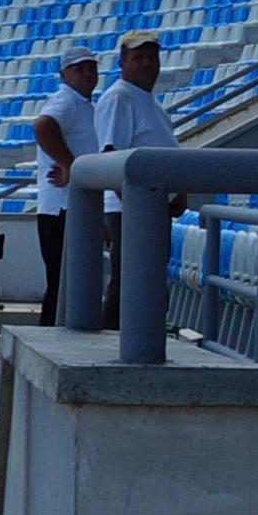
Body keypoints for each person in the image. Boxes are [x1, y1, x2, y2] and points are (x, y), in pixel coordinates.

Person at [82, 33, 177, 332]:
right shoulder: (120, 98)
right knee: (131, 282)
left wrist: (180, 190)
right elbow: (112, 156)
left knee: (144, 281)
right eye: (139, 58)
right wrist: (133, 202)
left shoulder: (149, 102)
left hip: (152, 204)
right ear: (122, 62)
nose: (147, 63)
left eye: (152, 57)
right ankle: (115, 343)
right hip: (133, 208)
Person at [27, 50, 100, 328]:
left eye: (92, 68)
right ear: (64, 74)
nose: (88, 74)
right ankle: (51, 333)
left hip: (72, 206)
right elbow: (43, 126)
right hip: (62, 207)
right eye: (79, 69)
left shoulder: (83, 105)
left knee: (68, 281)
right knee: (62, 280)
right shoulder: (66, 101)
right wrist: (70, 164)